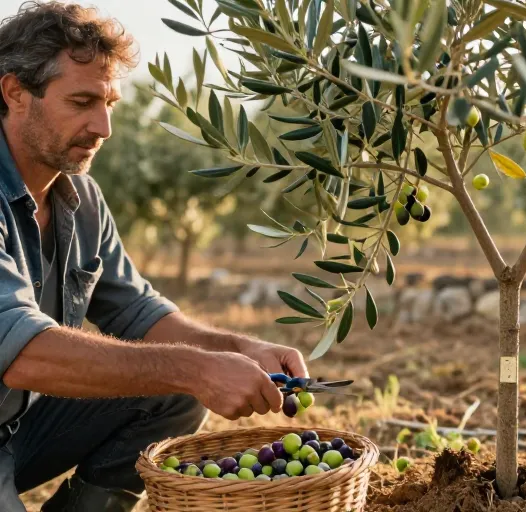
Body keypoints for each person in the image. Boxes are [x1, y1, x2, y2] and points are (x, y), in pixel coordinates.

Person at [0, 2, 309, 510]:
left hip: (17, 429)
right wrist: (197, 368)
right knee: (186, 373)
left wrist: (235, 348)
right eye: (81, 102)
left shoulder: (80, 200)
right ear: (15, 93)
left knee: (176, 387)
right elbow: (22, 352)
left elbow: (139, 313)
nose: (104, 128)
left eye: (110, 104)